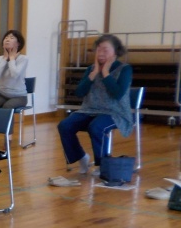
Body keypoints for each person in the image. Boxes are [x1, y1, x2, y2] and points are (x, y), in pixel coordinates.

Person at [57, 34, 133, 174]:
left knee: (96, 126)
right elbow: (79, 92)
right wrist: (93, 74)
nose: (101, 53)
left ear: (115, 52)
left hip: (115, 112)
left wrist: (105, 73)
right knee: (64, 125)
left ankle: (102, 165)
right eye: (98, 49)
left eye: (105, 50)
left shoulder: (124, 69)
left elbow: (117, 94)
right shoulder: (91, 68)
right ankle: (81, 157)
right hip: (89, 110)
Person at [0, 29, 28, 109]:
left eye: (12, 38)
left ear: (18, 43)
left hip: (19, 96)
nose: (7, 39)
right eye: (6, 38)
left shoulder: (23, 59)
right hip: (2, 94)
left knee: (7, 106)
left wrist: (12, 59)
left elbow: (14, 75)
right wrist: (5, 59)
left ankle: (8, 118)